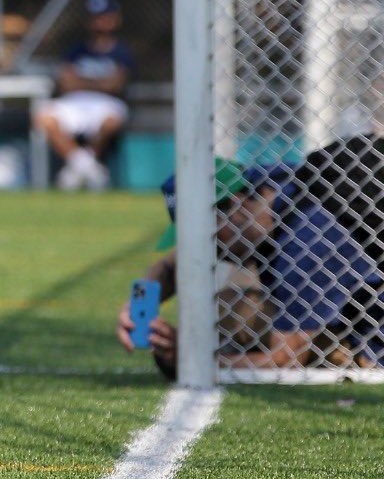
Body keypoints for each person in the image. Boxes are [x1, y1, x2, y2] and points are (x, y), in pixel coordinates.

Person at [116, 155, 384, 376]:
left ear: (236, 206)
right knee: (237, 309)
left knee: (241, 313)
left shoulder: (305, 244)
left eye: (204, 237)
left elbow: (286, 359)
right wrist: (139, 304)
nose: (204, 250)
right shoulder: (265, 182)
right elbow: (169, 264)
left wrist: (191, 360)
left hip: (371, 340)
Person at [37, 0, 135, 191]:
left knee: (110, 120)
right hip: (75, 102)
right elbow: (66, 83)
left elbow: (116, 85)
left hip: (107, 103)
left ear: (115, 18)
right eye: (95, 17)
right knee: (45, 117)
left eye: (104, 16)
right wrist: (99, 82)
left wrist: (83, 82)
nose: (99, 22)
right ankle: (89, 169)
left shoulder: (121, 52)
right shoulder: (76, 51)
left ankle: (76, 171)